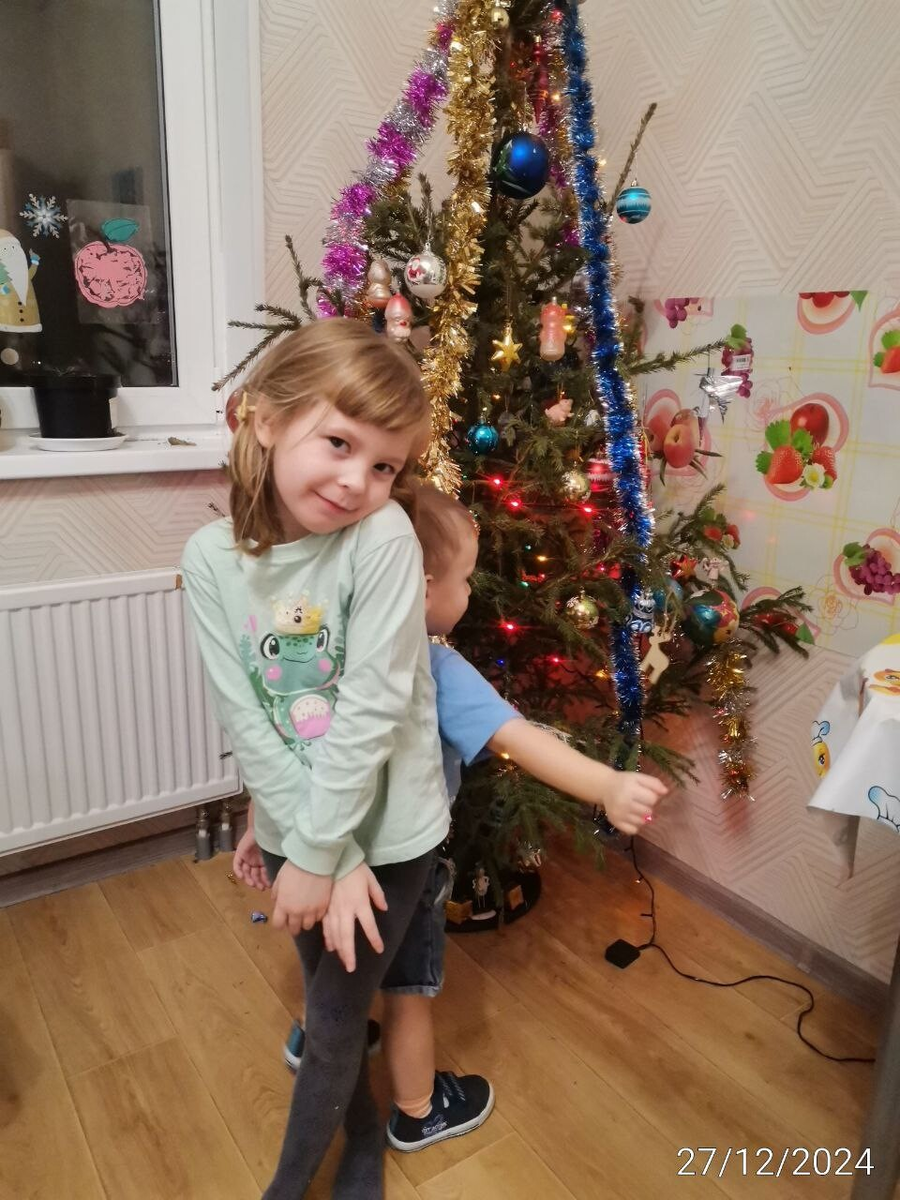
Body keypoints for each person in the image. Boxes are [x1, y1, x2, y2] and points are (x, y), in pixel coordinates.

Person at [234, 480, 668, 1154]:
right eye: (465, 579)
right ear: (424, 588)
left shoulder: (319, 658)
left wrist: (257, 827)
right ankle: (418, 1109)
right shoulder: (436, 667)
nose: (469, 595)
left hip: (315, 862)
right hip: (399, 869)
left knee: (328, 962)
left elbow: (286, 750)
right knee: (406, 987)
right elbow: (517, 737)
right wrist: (606, 784)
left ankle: (321, 1038)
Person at [181, 320, 452, 1200]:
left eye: (384, 466)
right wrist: (304, 846)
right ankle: (363, 1148)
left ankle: (287, 1189)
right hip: (302, 832)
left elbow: (372, 710)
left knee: (335, 1022)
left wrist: (324, 854)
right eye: (339, 443)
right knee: (330, 1008)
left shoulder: (384, 539)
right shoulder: (210, 560)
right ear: (264, 420)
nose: (357, 481)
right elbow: (248, 715)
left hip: (392, 833)